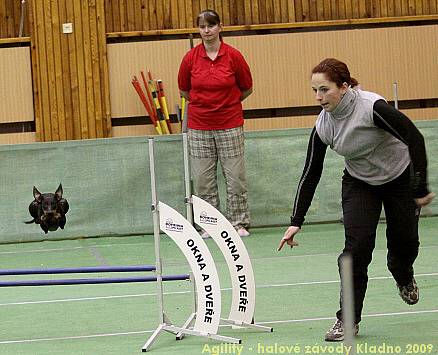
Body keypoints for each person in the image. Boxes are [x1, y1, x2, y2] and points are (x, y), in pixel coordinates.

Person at [277, 58, 435, 341]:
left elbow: (414, 137)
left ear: (345, 87)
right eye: (314, 90)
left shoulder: (371, 108)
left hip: (399, 178)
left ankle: (402, 274)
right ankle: (347, 320)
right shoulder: (324, 125)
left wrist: (419, 186)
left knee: (404, 243)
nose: (318, 97)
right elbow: (311, 172)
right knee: (355, 250)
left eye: (324, 90)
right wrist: (295, 221)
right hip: (360, 182)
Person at [178, 9, 253, 238]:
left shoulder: (234, 56)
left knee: (235, 177)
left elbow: (247, 87)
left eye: (211, 25)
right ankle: (209, 225)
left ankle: (238, 223)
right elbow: (184, 90)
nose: (207, 30)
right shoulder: (190, 58)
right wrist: (205, 106)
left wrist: (226, 105)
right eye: (202, 27)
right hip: (199, 127)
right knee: (202, 180)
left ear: (220, 27)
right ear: (198, 30)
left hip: (230, 124)